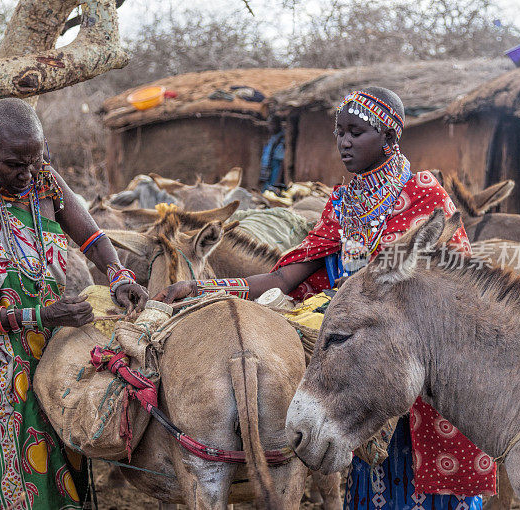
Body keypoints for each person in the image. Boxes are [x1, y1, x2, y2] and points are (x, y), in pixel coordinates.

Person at [155, 87, 496, 509]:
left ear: (389, 138)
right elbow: (285, 276)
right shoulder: (343, 204)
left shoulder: (425, 195)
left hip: (416, 364)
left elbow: (454, 290)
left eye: (356, 132)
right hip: (360, 367)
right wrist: (203, 288)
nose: (344, 143)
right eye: (339, 133)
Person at [0, 98, 148, 510]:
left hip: (57, 360)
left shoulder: (46, 183)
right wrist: (37, 315)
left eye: (34, 161)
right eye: (13, 164)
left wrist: (117, 274)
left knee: (64, 464)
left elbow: (92, 237)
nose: (26, 175)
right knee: (12, 479)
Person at [258, 113, 286, 192]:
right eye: (269, 125)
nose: (270, 127)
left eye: (272, 124)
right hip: (268, 171)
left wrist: (277, 180)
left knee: (271, 192)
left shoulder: (281, 139)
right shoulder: (273, 138)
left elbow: (282, 162)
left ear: (278, 124)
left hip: (275, 169)